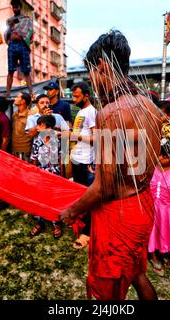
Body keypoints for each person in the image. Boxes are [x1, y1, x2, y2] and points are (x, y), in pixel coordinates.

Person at [59, 30, 162, 300]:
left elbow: (104, 188)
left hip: (119, 213)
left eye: (91, 73)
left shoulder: (111, 113)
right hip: (143, 204)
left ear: (102, 67)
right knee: (137, 273)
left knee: (107, 291)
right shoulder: (149, 106)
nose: (92, 82)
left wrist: (71, 211)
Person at [69, 82, 97, 249]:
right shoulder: (81, 112)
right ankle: (82, 224)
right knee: (79, 195)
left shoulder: (92, 112)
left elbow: (97, 138)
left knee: (88, 198)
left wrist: (72, 135)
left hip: (87, 162)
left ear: (86, 95)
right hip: (77, 159)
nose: (74, 99)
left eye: (77, 96)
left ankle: (88, 231)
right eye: (73, 96)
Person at [148, 140, 170, 276]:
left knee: (166, 230)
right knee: (153, 231)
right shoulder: (152, 168)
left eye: (164, 156)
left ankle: (164, 252)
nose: (161, 158)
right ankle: (153, 256)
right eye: (159, 155)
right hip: (152, 207)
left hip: (167, 208)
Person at [28, 115, 62, 239]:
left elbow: (60, 158)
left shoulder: (57, 140)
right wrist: (35, 174)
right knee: (40, 197)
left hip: (54, 175)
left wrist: (61, 176)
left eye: (40, 125)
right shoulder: (37, 141)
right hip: (41, 174)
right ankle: (40, 221)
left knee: (53, 198)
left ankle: (55, 223)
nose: (37, 128)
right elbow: (34, 158)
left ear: (48, 127)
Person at [5, 0, 34, 97]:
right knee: (10, 70)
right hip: (12, 46)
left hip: (23, 45)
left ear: (20, 7)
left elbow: (31, 33)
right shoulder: (9, 20)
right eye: (13, 7)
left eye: (16, 7)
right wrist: (10, 26)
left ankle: (31, 93)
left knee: (26, 71)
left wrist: (24, 39)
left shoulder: (27, 19)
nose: (15, 9)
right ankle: (8, 93)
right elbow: (7, 34)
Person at [12, 92, 32, 161]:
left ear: (23, 101)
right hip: (14, 149)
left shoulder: (30, 115)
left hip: (26, 150)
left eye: (17, 97)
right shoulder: (15, 114)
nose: (15, 98)